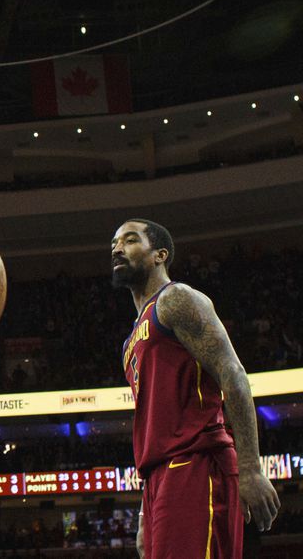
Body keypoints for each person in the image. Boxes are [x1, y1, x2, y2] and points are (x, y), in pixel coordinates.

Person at [110, 219, 280, 558]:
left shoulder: (176, 299)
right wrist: (146, 511)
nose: (117, 249)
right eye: (114, 243)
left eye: (130, 240)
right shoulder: (130, 341)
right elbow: (155, 425)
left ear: (160, 254)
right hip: (159, 478)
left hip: (196, 464)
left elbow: (233, 373)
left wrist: (250, 468)